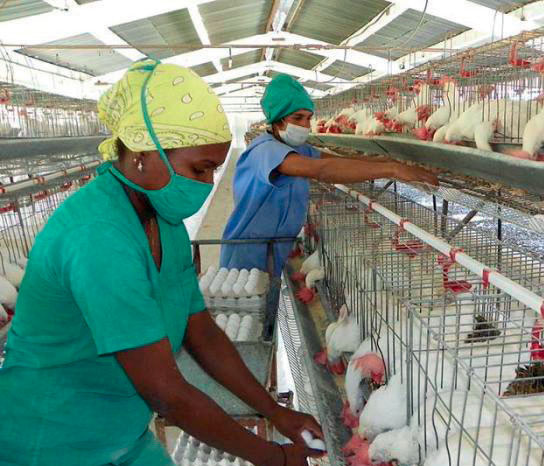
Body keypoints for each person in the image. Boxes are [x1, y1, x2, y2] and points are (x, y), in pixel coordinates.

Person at [0, 59, 322, 466]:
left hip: (122, 434)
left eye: (213, 170)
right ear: (140, 154)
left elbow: (200, 330)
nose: (207, 184)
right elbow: (166, 392)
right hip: (51, 443)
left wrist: (274, 411)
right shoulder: (98, 237)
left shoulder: (162, 219)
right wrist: (273, 457)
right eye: (198, 168)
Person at [219, 73, 438, 278]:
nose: (305, 125)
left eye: (308, 118)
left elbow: (332, 160)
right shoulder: (265, 150)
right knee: (246, 312)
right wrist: (392, 170)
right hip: (246, 255)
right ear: (278, 120)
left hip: (272, 250)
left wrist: (389, 162)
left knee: (264, 314)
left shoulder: (296, 148)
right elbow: (321, 170)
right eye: (298, 118)